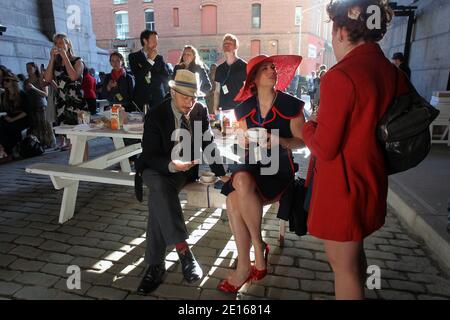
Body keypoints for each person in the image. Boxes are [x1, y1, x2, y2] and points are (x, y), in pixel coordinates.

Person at [301, 0, 409, 300]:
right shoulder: (389, 71)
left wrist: (306, 127)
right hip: (370, 178)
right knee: (354, 259)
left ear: (340, 31)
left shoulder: (340, 76)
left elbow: (325, 147)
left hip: (343, 187)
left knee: (343, 269)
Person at [217, 54, 305, 293]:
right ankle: (254, 252)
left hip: (280, 169)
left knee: (234, 195)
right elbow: (245, 146)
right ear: (254, 79)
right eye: (265, 68)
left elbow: (303, 142)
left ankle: (250, 259)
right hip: (253, 165)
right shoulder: (244, 109)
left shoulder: (291, 105)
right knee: (241, 182)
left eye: (273, 68)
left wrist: (280, 140)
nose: (271, 71)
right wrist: (243, 141)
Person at [134, 69, 227, 295]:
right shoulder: (156, 115)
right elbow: (149, 155)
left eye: (194, 96)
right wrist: (171, 164)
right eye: (185, 96)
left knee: (159, 195)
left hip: (183, 171)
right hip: (156, 168)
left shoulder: (200, 111)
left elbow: (207, 143)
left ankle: (155, 266)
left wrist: (222, 172)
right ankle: (184, 252)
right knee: (158, 183)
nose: (190, 101)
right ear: (172, 92)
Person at [43, 33, 85, 126]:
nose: (58, 46)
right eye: (56, 43)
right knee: (64, 133)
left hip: (76, 101)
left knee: (79, 134)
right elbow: (47, 79)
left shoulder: (78, 61)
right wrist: (51, 59)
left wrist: (65, 57)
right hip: (61, 102)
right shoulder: (56, 63)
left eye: (61, 43)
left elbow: (73, 77)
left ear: (68, 45)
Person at [128, 30, 170, 111]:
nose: (156, 44)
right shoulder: (133, 57)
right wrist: (150, 61)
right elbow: (138, 76)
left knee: (157, 122)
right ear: (145, 41)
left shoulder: (159, 58)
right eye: (154, 41)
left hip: (158, 98)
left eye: (157, 41)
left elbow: (166, 77)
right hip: (141, 98)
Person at [24, 62, 56, 148]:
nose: (28, 70)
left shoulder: (40, 79)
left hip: (42, 105)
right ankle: (40, 143)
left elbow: (45, 94)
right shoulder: (26, 81)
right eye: (27, 68)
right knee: (37, 127)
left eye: (30, 68)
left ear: (35, 68)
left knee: (46, 126)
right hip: (32, 106)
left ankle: (50, 143)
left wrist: (34, 88)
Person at [213, 34, 247, 113]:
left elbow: (247, 90)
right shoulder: (219, 69)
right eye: (224, 44)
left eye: (229, 43)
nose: (226, 45)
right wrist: (215, 108)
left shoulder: (244, 66)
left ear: (236, 47)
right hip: (223, 109)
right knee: (199, 124)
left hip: (240, 109)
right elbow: (217, 91)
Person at [0, 72, 30, 160]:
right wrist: (6, 117)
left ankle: (6, 150)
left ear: (13, 81)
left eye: (7, 80)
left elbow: (26, 112)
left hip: (21, 119)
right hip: (9, 118)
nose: (4, 82)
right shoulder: (4, 96)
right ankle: (4, 150)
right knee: (2, 124)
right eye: (3, 81)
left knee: (6, 126)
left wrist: (12, 119)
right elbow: (3, 110)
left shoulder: (22, 94)